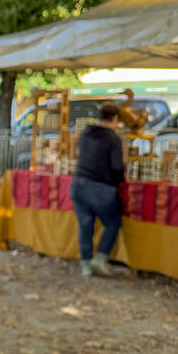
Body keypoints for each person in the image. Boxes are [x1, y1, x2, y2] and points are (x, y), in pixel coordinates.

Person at [70, 102, 125, 277]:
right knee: (112, 223)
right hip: (100, 188)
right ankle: (100, 258)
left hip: (78, 184)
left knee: (85, 224)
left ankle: (85, 264)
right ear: (115, 119)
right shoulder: (113, 139)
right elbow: (117, 168)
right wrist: (120, 181)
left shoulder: (85, 133)